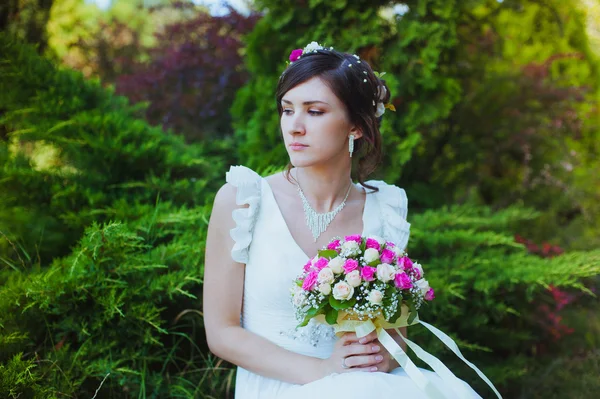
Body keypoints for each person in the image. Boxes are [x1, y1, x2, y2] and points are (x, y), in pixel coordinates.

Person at [203, 42, 482, 398]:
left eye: (314, 112)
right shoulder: (242, 200)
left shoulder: (387, 209)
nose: (295, 127)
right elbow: (221, 332)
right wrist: (323, 371)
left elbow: (395, 332)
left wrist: (382, 356)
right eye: (287, 110)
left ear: (355, 127)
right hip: (275, 387)